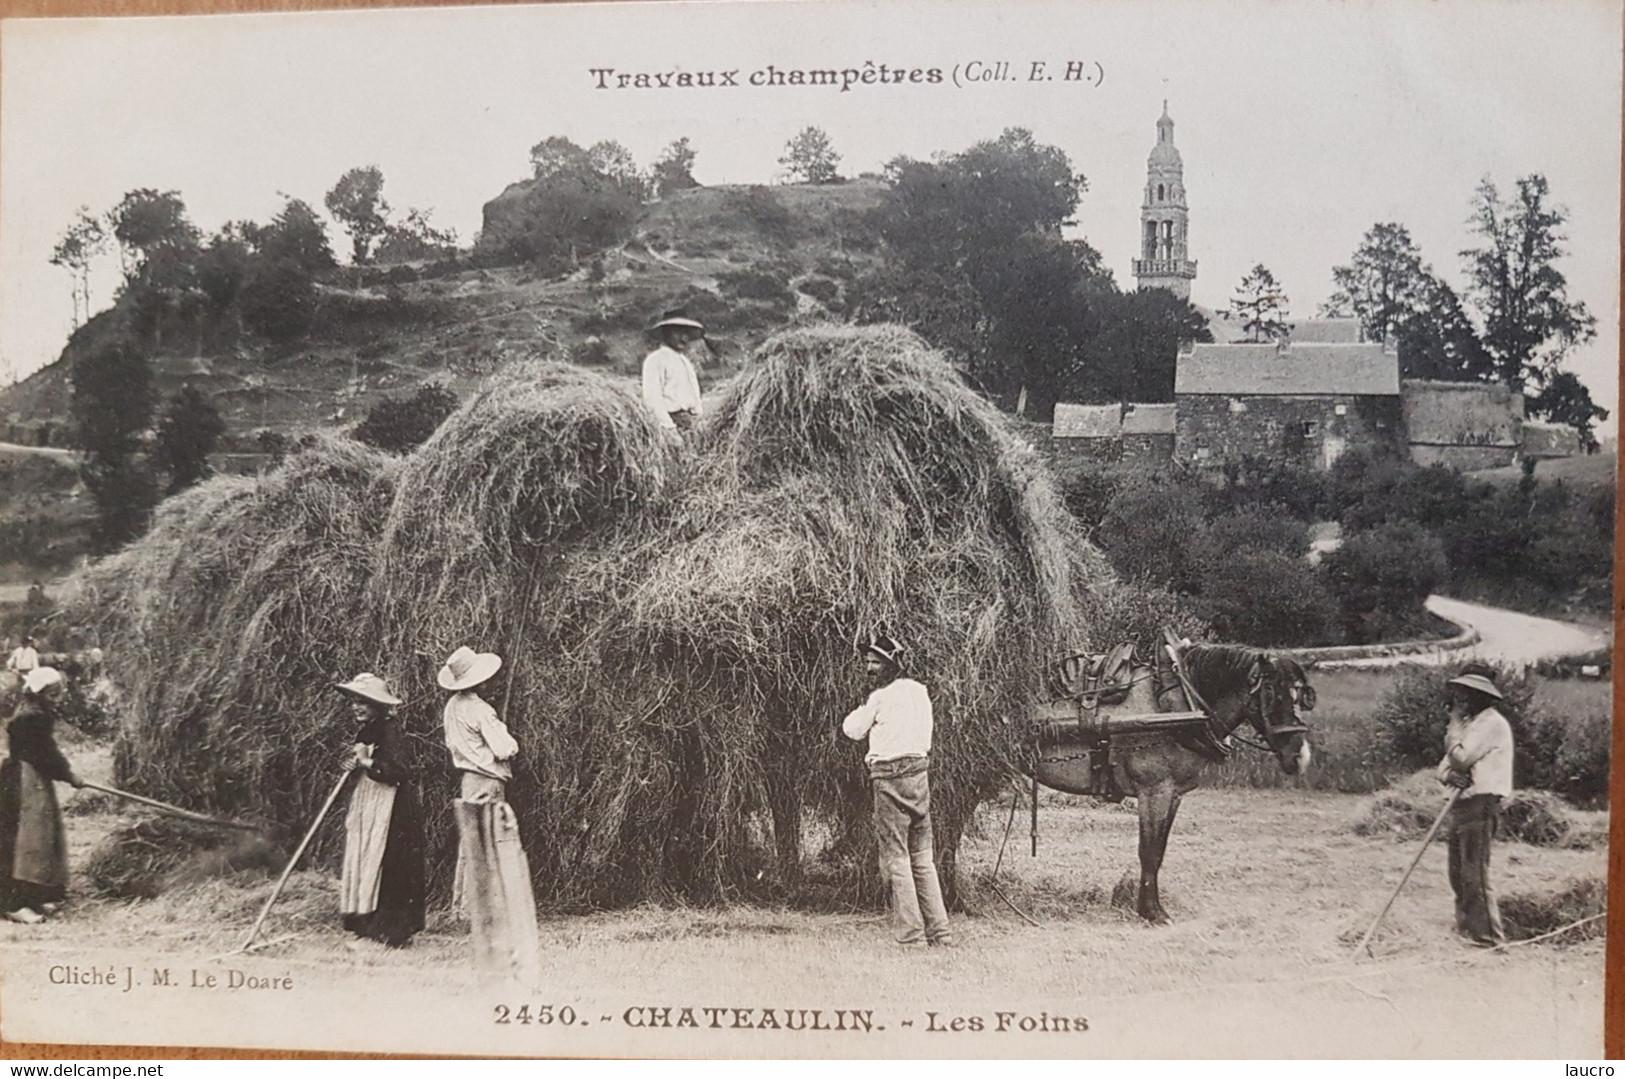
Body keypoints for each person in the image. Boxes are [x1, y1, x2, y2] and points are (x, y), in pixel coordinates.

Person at [840, 635, 953, 947]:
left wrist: (863, 706)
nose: (870, 668)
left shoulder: (879, 698)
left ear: (892, 665)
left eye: (876, 662)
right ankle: (940, 932)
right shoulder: (920, 691)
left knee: (897, 859)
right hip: (919, 775)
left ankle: (911, 936)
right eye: (867, 662)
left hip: (889, 777)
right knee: (922, 857)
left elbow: (852, 730)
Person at [439, 646, 539, 983]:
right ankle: (480, 909)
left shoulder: (451, 707)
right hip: (487, 778)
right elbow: (504, 748)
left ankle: (462, 907)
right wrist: (509, 737)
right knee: (491, 844)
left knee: (470, 843)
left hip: (468, 779)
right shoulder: (481, 709)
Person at [334, 672, 425, 949]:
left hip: (391, 810)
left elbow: (399, 771)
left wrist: (366, 764)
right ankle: (366, 926)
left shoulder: (390, 730)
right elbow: (363, 761)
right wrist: (351, 765)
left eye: (364, 702)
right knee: (366, 860)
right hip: (369, 807)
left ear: (379, 705)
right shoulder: (368, 730)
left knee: (388, 865)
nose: (357, 707)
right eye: (354, 701)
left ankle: (390, 933)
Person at [1436, 667, 1513, 947]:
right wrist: (1448, 775)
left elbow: (1461, 757)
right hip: (1460, 804)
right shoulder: (1470, 725)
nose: (1462, 699)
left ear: (1484, 697)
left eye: (1469, 694)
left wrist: (1454, 725)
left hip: (1481, 804)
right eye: (1461, 693)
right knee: (1456, 872)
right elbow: (1445, 765)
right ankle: (1467, 930)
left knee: (1474, 873)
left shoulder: (1490, 723)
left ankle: (1489, 940)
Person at [0, 668, 81, 924]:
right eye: (55, 693)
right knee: (24, 841)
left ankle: (33, 896)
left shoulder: (34, 713)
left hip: (33, 780)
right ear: (42, 693)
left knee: (40, 839)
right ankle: (13, 903)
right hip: (23, 782)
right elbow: (46, 754)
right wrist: (69, 776)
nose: (59, 697)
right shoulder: (32, 719)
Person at [640, 309, 705, 433]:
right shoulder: (655, 360)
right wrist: (669, 428)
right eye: (678, 332)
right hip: (670, 423)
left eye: (686, 333)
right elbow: (652, 399)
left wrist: (698, 418)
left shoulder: (685, 362)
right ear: (666, 332)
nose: (684, 338)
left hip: (690, 424)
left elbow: (695, 394)